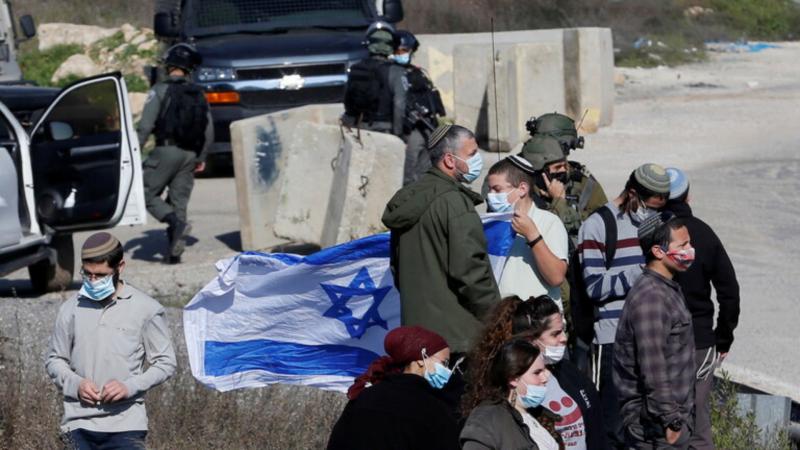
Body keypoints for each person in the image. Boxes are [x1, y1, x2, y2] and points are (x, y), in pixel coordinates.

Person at [45, 232, 177, 449]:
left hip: (126, 425)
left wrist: (130, 386)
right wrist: (76, 385)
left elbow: (165, 362)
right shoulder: (70, 309)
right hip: (77, 424)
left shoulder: (146, 309)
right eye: (87, 274)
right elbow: (54, 360)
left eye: (101, 275)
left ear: (120, 267)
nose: (93, 281)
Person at [381, 124, 500, 354]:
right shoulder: (454, 203)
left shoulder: (410, 198)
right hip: (458, 339)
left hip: (417, 338)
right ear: (449, 160)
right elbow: (471, 273)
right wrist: (497, 316)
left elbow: (397, 271)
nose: (478, 159)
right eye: (472, 154)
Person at [576, 163, 671, 449]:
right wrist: (645, 271)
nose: (652, 213)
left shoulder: (655, 223)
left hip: (652, 338)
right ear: (632, 193)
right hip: (614, 341)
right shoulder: (597, 225)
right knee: (612, 430)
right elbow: (594, 287)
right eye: (649, 205)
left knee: (651, 429)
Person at [464, 296, 607, 450]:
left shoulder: (570, 375)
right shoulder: (494, 413)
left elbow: (595, 428)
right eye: (555, 334)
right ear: (531, 339)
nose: (564, 338)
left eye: (563, 331)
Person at [663, 168, 740, 450]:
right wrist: (723, 337)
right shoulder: (705, 234)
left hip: (658, 339)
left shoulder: (651, 234)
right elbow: (729, 291)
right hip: (699, 342)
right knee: (697, 419)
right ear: (688, 197)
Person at [613, 212, 696, 450]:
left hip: (671, 422)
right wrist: (671, 421)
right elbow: (653, 365)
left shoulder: (667, 287)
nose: (690, 250)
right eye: (683, 245)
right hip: (656, 428)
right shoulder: (652, 298)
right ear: (658, 252)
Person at [137, 43, 213, 264]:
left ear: (169, 66)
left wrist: (133, 154)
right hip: (190, 155)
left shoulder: (159, 90)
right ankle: (173, 255)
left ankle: (174, 223)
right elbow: (208, 130)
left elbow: (144, 127)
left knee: (145, 194)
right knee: (179, 202)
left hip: (165, 151)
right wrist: (201, 157)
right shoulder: (199, 93)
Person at [327, 326, 461, 450]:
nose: (447, 371)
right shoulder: (434, 410)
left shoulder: (364, 396)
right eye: (444, 363)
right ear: (421, 357)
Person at [486, 155, 569, 309]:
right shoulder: (490, 225)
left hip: (538, 323)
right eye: (489, 189)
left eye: (497, 189)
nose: (491, 196)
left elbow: (556, 277)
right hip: (502, 320)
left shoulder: (549, 222)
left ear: (522, 189)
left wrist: (533, 236)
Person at [520, 114, 608, 246]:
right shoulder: (513, 180)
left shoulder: (582, 181)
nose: (563, 170)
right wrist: (559, 202)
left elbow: (604, 224)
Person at [461, 339, 564, 450]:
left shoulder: (537, 414)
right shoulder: (487, 419)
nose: (545, 378)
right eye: (537, 372)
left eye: (544, 370)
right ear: (513, 378)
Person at [391, 30, 447, 185]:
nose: (402, 54)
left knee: (428, 165)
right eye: (398, 51)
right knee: (410, 168)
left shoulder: (418, 72)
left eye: (405, 51)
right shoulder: (394, 73)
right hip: (411, 128)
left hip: (428, 125)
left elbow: (431, 96)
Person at [342, 21, 406, 137]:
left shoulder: (355, 69)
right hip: (384, 130)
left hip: (359, 128)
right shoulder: (395, 71)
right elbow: (399, 104)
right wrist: (398, 133)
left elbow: (347, 99)